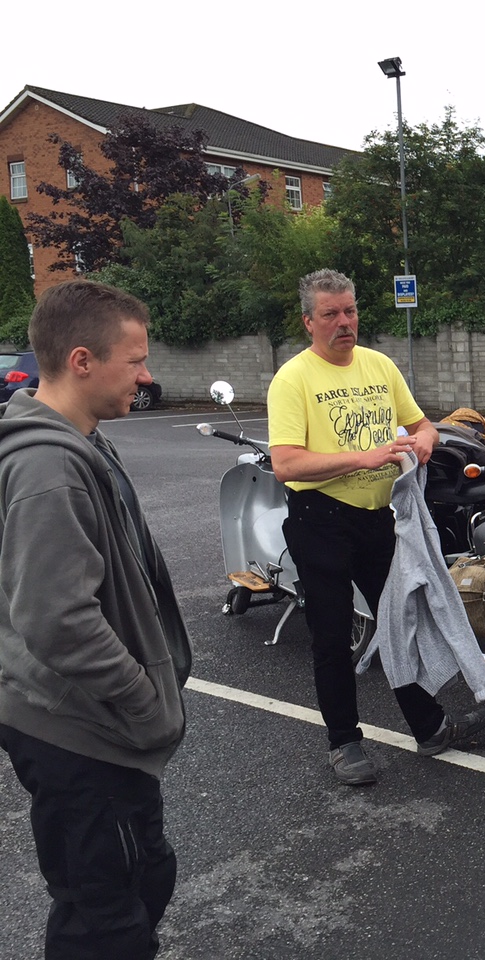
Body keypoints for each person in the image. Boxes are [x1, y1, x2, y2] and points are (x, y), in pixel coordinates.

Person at [0, 279, 191, 959]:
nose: (147, 375)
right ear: (82, 361)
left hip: (97, 724)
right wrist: (143, 699)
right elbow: (56, 619)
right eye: (135, 360)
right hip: (79, 729)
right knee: (102, 921)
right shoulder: (49, 465)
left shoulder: (81, 441)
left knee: (144, 876)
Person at [268, 268, 485, 786]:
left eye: (349, 310)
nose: (344, 322)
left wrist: (425, 442)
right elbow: (286, 464)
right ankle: (344, 742)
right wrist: (363, 458)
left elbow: (422, 424)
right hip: (319, 521)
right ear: (309, 322)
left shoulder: (379, 364)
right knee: (330, 636)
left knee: (401, 624)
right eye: (331, 314)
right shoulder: (293, 379)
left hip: (378, 519)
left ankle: (430, 728)